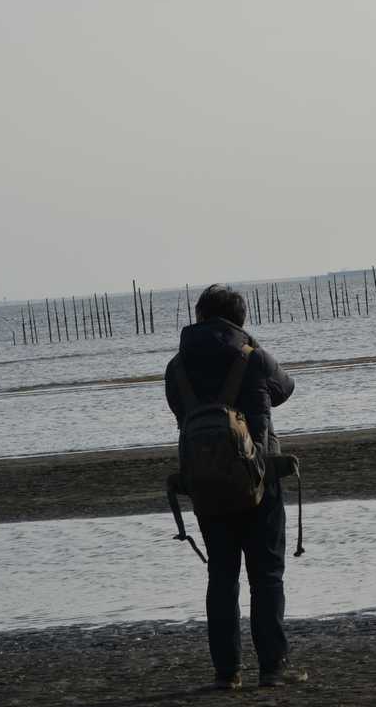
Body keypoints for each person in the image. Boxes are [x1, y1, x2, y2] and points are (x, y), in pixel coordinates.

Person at [165, 283, 302, 691]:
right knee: (266, 576)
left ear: (199, 316)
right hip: (260, 480)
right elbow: (286, 388)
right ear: (240, 320)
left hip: (206, 484)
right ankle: (272, 668)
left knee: (222, 577)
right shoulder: (253, 356)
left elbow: (179, 410)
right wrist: (251, 349)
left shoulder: (177, 367)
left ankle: (227, 673)